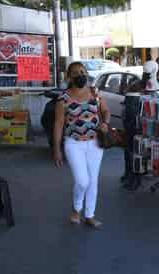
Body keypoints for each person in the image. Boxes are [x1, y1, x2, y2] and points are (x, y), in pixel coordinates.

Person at [54, 62, 111, 229]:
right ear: (69, 77)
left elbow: (106, 111)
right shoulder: (63, 98)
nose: (81, 75)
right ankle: (76, 207)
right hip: (73, 144)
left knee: (93, 181)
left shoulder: (95, 92)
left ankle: (89, 215)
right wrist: (57, 149)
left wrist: (106, 123)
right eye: (76, 73)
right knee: (82, 181)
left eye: (83, 72)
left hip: (95, 143)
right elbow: (58, 124)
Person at [121, 79, 146, 191]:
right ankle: (131, 176)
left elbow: (130, 116)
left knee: (133, 153)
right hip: (131, 129)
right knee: (131, 152)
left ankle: (134, 178)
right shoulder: (132, 98)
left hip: (133, 130)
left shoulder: (133, 99)